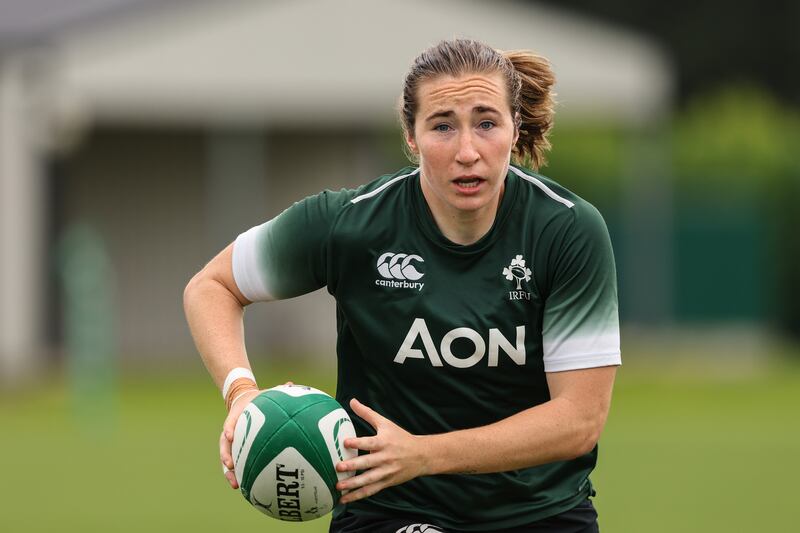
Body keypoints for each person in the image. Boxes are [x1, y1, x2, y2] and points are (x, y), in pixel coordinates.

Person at [184, 39, 620, 533]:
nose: (467, 151)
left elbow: (579, 420)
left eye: (486, 123)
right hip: (389, 509)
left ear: (515, 127)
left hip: (540, 512)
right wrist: (241, 394)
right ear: (410, 137)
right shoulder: (351, 225)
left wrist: (424, 454)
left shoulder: (566, 230)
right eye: (442, 127)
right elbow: (212, 286)